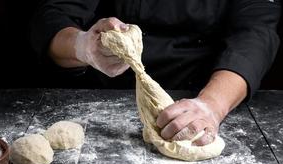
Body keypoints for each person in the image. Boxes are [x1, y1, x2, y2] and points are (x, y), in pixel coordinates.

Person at [30, 0, 281, 146]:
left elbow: (255, 32)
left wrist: (213, 104)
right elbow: (51, 16)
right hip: (101, 91)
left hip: (197, 91)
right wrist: (83, 46)